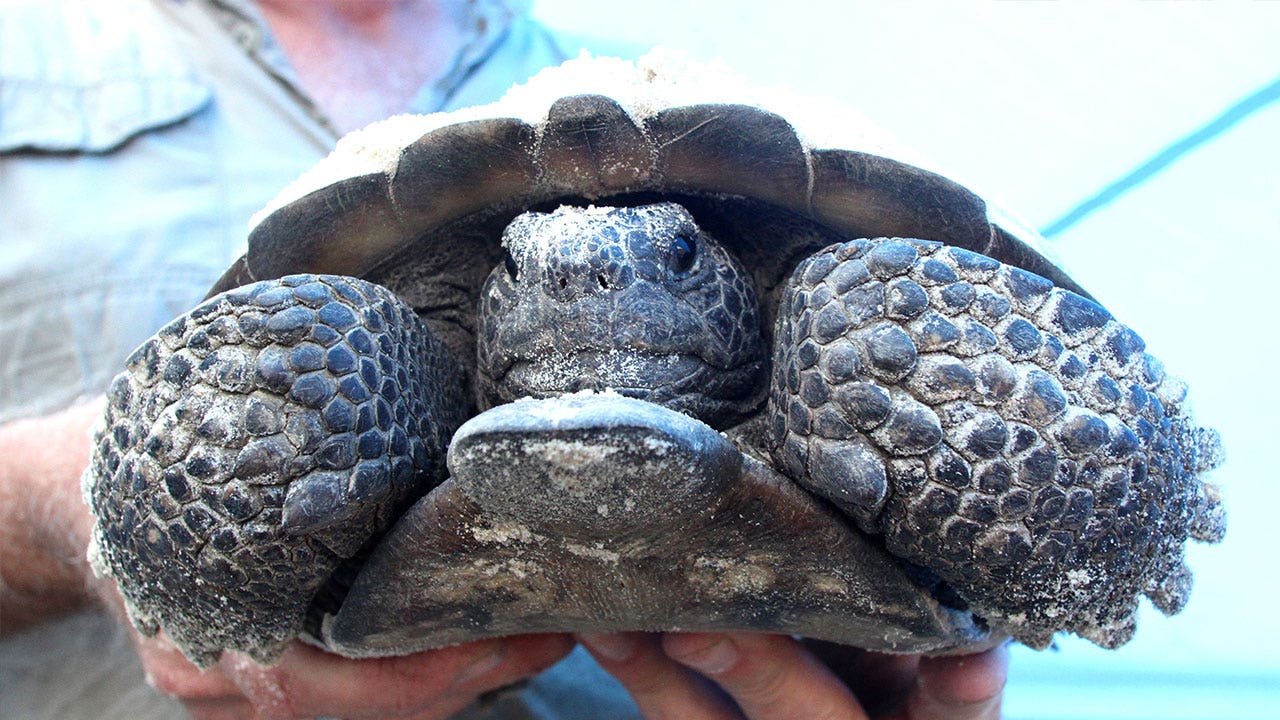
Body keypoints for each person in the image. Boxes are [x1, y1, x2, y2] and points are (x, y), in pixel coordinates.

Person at [0, 1, 1008, 718]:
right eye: (526, 269)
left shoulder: (682, 78)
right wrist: (71, 509)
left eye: (673, 258)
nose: (586, 284)